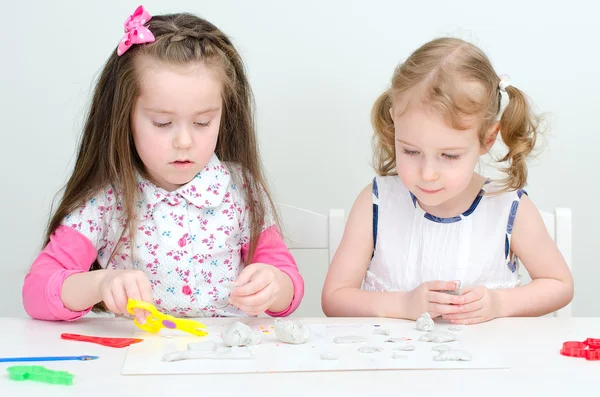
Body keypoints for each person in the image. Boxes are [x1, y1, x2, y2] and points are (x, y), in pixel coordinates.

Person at [23, 6, 303, 322]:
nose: (184, 141)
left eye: (202, 122)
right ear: (124, 117)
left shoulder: (240, 188)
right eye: (161, 123)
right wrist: (100, 284)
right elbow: (36, 292)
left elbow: (287, 285)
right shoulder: (105, 201)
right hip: (137, 356)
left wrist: (273, 285)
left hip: (226, 357)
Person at [321, 37, 573, 324]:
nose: (427, 173)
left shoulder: (507, 207)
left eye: (449, 156)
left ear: (487, 139)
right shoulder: (376, 202)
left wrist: (498, 303)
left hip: (484, 365)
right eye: (411, 151)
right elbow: (335, 298)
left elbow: (559, 284)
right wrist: (403, 305)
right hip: (392, 365)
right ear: (394, 125)